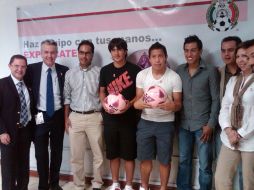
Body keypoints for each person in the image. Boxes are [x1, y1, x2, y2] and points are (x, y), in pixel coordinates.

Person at [134, 42, 182, 190]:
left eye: (160, 56)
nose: (157, 60)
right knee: (145, 159)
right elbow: (137, 101)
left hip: (166, 124)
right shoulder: (142, 75)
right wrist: (138, 104)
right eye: (154, 56)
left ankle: (163, 188)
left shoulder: (174, 77)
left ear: (165, 57)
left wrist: (172, 106)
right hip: (145, 123)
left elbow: (179, 104)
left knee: (164, 161)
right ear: (149, 58)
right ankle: (144, 186)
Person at [176, 35, 220, 190]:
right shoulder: (179, 70)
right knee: (183, 161)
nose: (189, 54)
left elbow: (216, 100)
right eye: (187, 50)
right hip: (183, 125)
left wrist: (211, 124)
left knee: (205, 165)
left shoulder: (210, 71)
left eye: (193, 50)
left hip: (203, 127)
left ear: (200, 51)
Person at [25, 39, 69, 190]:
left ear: (57, 53)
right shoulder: (31, 70)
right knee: (40, 152)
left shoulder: (65, 70)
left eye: (52, 52)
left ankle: (55, 183)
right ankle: (43, 184)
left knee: (57, 151)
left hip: (57, 115)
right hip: (40, 116)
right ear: (41, 53)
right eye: (46, 52)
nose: (49, 55)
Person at [99, 38, 141, 190]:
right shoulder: (105, 70)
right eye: (113, 50)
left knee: (129, 154)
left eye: (119, 49)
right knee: (113, 154)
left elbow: (139, 94)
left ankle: (129, 185)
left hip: (128, 119)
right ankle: (115, 183)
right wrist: (105, 104)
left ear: (125, 51)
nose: (116, 53)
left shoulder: (135, 70)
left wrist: (129, 104)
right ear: (110, 52)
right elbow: (102, 92)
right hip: (110, 119)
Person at [64, 40, 104, 190]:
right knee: (76, 156)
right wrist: (66, 119)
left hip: (95, 116)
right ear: (78, 53)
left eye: (87, 53)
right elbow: (66, 98)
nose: (84, 56)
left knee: (98, 154)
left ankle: (97, 184)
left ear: (92, 55)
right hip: (75, 117)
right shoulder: (69, 74)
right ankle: (79, 185)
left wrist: (103, 116)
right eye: (81, 52)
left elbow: (103, 95)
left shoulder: (100, 72)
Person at [215, 40, 254, 190]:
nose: (241, 60)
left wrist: (240, 133)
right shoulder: (233, 80)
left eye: (246, 56)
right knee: (221, 180)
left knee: (249, 183)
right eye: (238, 56)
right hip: (229, 139)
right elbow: (225, 107)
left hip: (250, 141)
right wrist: (228, 130)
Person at [0, 55, 33, 190]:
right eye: (16, 66)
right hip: (8, 134)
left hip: (25, 132)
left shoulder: (28, 85)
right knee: (8, 170)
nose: (20, 69)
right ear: (10, 66)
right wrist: (1, 132)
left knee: (23, 168)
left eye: (23, 66)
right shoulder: (1, 84)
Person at [215, 36, 243, 190]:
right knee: (223, 174)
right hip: (225, 129)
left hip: (246, 131)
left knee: (242, 173)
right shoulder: (219, 72)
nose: (226, 54)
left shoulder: (247, 74)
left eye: (231, 50)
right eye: (223, 50)